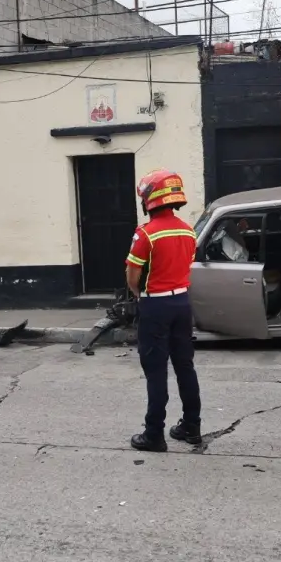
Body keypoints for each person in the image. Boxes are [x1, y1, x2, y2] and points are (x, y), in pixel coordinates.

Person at [124, 169, 202, 453]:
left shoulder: (145, 234)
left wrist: (140, 295)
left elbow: (133, 277)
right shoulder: (187, 229)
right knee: (185, 366)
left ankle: (154, 434)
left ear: (149, 200)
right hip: (183, 302)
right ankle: (192, 426)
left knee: (156, 371)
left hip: (156, 305)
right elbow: (186, 265)